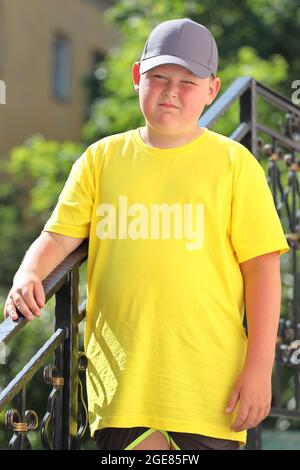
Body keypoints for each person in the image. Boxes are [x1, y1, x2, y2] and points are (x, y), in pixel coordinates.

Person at [4, 18, 289, 451]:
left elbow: (262, 269)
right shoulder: (101, 159)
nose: (171, 91)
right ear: (138, 77)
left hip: (211, 388)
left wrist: (259, 368)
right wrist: (28, 273)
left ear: (212, 90)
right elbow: (59, 237)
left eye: (187, 81)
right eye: (159, 77)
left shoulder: (235, 165)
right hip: (120, 386)